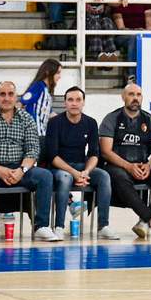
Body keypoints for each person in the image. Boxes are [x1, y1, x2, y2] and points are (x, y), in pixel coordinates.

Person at [0, 80, 59, 243]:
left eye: (10, 94)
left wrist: (22, 170)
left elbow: (33, 150)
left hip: (19, 168)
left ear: (16, 97)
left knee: (45, 176)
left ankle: (41, 226)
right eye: (2, 94)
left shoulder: (26, 118)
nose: (6, 98)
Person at [100, 82, 151, 239]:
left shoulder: (149, 120)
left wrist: (149, 165)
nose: (135, 98)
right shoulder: (112, 118)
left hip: (142, 166)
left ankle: (144, 222)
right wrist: (128, 166)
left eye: (138, 95)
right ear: (123, 97)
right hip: (118, 167)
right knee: (120, 177)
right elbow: (106, 151)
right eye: (131, 94)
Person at [42, 86, 120, 241]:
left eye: (78, 100)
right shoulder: (54, 123)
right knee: (65, 178)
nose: (74, 103)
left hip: (80, 167)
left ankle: (103, 226)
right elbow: (53, 157)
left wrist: (86, 172)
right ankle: (59, 227)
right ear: (65, 103)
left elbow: (94, 154)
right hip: (59, 168)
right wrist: (75, 173)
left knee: (104, 176)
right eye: (70, 100)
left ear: (83, 102)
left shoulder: (90, 123)